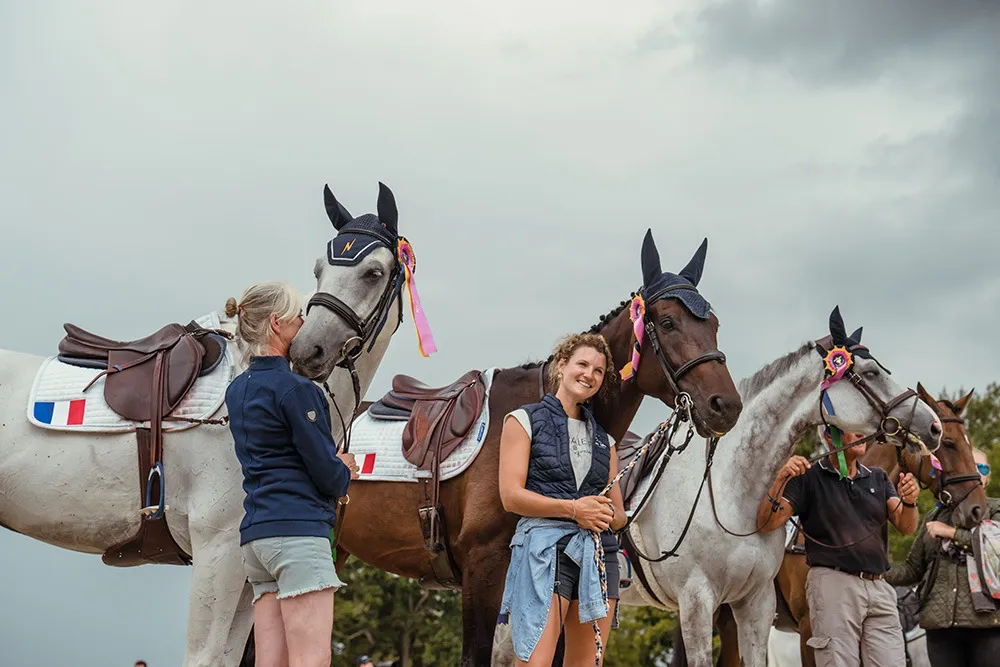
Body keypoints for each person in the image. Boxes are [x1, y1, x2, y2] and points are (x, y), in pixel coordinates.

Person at [224, 282, 359, 667]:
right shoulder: (298, 390)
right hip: (298, 535)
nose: (304, 323)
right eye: (299, 316)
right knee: (312, 661)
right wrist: (344, 468)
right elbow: (327, 474)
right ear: (276, 323)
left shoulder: (237, 390)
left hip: (257, 539)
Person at [497, 332, 627, 667]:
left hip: (599, 555)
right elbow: (511, 496)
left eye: (598, 371)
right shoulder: (523, 421)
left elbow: (620, 517)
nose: (589, 374)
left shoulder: (605, 441)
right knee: (534, 662)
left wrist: (603, 513)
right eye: (582, 364)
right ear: (561, 365)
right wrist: (574, 509)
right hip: (544, 551)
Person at [756, 428, 921, 667]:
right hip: (834, 584)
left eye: (862, 429)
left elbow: (906, 526)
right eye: (851, 429)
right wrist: (781, 480)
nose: (860, 434)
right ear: (828, 435)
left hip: (879, 588)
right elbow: (766, 523)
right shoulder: (807, 477)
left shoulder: (879, 477)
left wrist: (910, 501)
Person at [886, 447, 1000, 667]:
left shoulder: (995, 509)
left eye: (981, 467)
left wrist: (951, 533)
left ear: (988, 476)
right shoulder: (936, 514)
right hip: (940, 626)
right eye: (970, 466)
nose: (975, 472)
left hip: (989, 624)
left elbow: (996, 546)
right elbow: (912, 569)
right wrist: (874, 571)